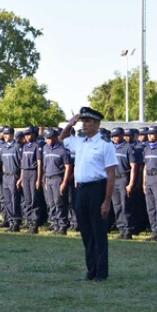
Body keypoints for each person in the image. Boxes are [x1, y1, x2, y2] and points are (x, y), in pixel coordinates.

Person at [61, 107, 117, 282]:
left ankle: (101, 273)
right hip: (81, 190)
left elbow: (111, 174)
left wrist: (107, 201)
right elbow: (62, 138)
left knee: (98, 232)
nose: (83, 124)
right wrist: (71, 123)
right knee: (86, 232)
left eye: (87, 121)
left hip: (97, 190)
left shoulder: (105, 145)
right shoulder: (80, 142)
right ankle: (90, 271)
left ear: (97, 124)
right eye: (82, 121)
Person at [108, 128, 140, 239]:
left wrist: (131, 184)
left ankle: (127, 230)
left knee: (125, 205)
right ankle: (121, 228)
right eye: (113, 136)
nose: (114, 138)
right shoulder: (111, 148)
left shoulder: (128, 148)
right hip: (113, 179)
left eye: (116, 136)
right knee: (116, 206)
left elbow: (134, 167)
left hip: (123, 179)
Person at [42, 129, 72, 235]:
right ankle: (55, 225)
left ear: (55, 137)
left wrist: (64, 182)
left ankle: (62, 226)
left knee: (59, 203)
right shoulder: (45, 148)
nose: (47, 140)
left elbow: (68, 166)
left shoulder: (62, 150)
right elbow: (45, 166)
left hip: (58, 178)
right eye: (46, 138)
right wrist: (45, 180)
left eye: (49, 138)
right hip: (48, 178)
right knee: (51, 204)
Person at [19, 126, 43, 233]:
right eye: (26, 135)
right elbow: (22, 164)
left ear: (34, 134)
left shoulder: (37, 146)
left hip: (33, 172)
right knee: (27, 199)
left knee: (34, 199)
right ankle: (29, 222)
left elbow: (39, 163)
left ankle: (35, 223)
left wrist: (38, 179)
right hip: (25, 173)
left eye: (30, 134)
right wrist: (21, 178)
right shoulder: (24, 147)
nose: (28, 136)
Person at [0, 127, 23, 232]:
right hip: (6, 176)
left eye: (7, 134)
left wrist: (20, 178)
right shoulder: (2, 148)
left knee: (14, 200)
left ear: (12, 135)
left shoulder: (17, 147)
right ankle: (11, 221)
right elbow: (1, 163)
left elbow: (22, 164)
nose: (5, 136)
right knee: (7, 200)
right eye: (4, 134)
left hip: (14, 176)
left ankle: (16, 222)